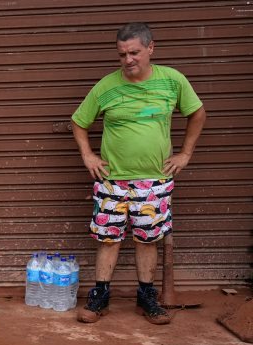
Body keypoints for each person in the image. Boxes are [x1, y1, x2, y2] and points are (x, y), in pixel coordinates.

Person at [71, 22, 206, 325]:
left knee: (148, 239)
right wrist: (88, 154)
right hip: (112, 180)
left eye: (134, 52)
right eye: (122, 55)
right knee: (108, 238)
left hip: (154, 180)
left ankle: (147, 296)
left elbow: (197, 113)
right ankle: (100, 295)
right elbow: (79, 121)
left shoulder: (172, 81)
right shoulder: (106, 86)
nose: (128, 60)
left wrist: (185, 153)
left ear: (150, 48)